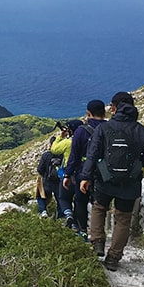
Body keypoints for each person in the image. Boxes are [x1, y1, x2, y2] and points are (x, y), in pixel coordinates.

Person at [79, 91, 144, 271]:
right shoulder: (142, 131)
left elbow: (93, 154)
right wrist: (137, 164)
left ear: (114, 108)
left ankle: (97, 243)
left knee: (99, 208)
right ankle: (113, 258)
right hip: (130, 183)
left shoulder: (104, 128)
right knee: (123, 219)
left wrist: (85, 177)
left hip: (105, 179)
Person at [62, 100, 107, 237]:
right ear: (104, 112)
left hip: (83, 172)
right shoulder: (110, 128)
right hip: (104, 173)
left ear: (88, 113)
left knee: (80, 201)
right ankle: (98, 234)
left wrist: (67, 175)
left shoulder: (81, 131)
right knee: (99, 204)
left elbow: (74, 156)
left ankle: (82, 231)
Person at [51, 120, 81, 229]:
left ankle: (68, 215)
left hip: (69, 173)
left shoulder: (68, 142)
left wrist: (60, 137)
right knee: (80, 201)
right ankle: (80, 226)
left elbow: (54, 150)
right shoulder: (87, 139)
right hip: (83, 174)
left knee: (63, 198)